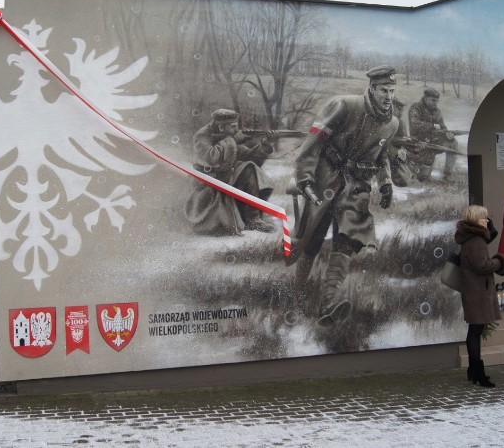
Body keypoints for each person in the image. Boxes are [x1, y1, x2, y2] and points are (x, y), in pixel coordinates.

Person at [287, 66, 400, 327]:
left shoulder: (391, 123)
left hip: (357, 186)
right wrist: (305, 178)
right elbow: (312, 143)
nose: (388, 96)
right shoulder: (344, 106)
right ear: (372, 88)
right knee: (311, 240)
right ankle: (297, 293)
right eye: (384, 90)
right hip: (327, 177)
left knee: (347, 241)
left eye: (392, 91)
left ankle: (328, 304)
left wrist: (385, 183)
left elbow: (381, 157)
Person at [184, 109, 276, 235]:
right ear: (221, 127)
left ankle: (253, 219)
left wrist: (264, 145)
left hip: (225, 175)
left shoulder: (227, 136)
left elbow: (247, 155)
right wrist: (231, 140)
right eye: (233, 127)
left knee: (249, 168)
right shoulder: (202, 136)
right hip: (207, 180)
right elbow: (211, 158)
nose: (236, 130)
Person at [454, 205, 504, 388]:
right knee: (476, 331)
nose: (487, 220)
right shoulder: (476, 241)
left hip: (473, 290)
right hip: (478, 292)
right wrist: (499, 261)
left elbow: (483, 247)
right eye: (484, 218)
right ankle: (479, 373)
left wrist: (490, 230)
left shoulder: (470, 238)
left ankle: (473, 370)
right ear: (476, 220)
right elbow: (482, 266)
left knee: (475, 330)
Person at [407, 88, 459, 181]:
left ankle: (447, 175)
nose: (436, 103)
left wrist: (448, 134)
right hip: (419, 143)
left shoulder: (437, 112)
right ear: (426, 98)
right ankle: (414, 169)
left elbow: (442, 127)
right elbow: (415, 124)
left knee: (453, 143)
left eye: (437, 101)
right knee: (423, 178)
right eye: (433, 100)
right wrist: (432, 126)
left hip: (434, 142)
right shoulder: (415, 108)